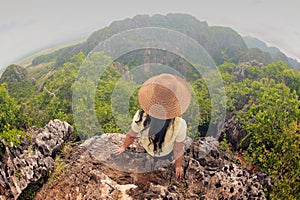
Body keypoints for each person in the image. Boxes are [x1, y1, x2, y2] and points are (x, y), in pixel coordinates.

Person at [114, 73, 191, 178]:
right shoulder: (180, 124)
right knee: (186, 141)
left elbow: (131, 135)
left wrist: (123, 147)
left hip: (148, 150)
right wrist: (178, 166)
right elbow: (177, 149)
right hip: (166, 154)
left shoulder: (140, 116)